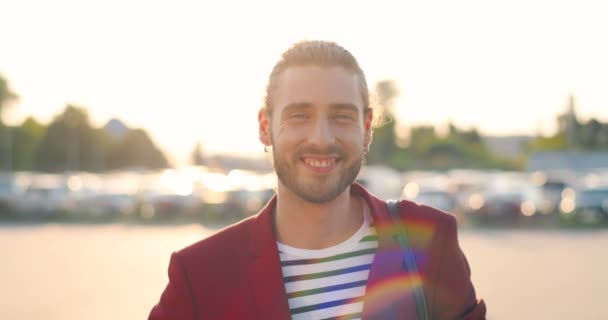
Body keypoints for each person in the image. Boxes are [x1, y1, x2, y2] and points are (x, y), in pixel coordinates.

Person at [148, 40, 486, 320]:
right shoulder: (201, 273)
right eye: (300, 116)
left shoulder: (428, 242)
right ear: (265, 127)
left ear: (367, 129)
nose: (321, 138)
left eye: (341, 116)